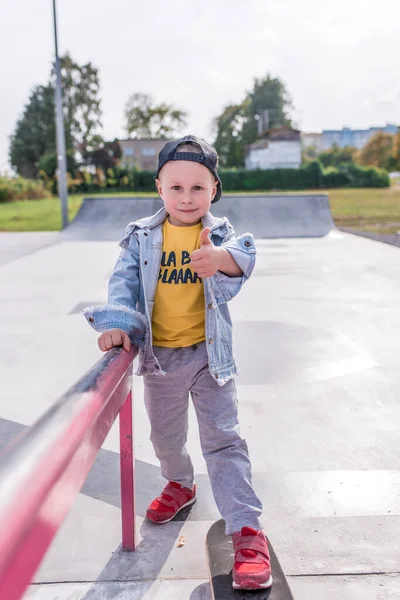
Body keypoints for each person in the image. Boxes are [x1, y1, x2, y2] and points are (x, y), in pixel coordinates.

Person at [84, 135, 272, 590]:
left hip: (210, 357)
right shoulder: (143, 236)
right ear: (159, 188)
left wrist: (220, 258)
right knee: (165, 438)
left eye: (198, 188)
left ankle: (248, 533)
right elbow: (123, 284)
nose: (186, 197)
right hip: (161, 359)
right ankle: (180, 483)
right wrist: (120, 327)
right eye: (176, 188)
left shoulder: (219, 233)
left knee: (224, 443)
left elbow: (244, 257)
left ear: (214, 190)